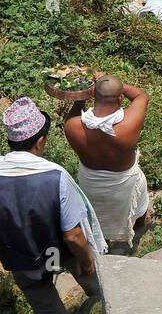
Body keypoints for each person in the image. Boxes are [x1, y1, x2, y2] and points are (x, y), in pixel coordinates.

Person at [0, 97, 107, 314]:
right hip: (57, 251)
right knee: (92, 278)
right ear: (41, 140)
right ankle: (107, 307)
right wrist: (87, 262)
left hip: (23, 259)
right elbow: (73, 235)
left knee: (44, 300)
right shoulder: (55, 178)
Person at [63, 75, 151, 253]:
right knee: (137, 203)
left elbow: (73, 112)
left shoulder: (72, 126)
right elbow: (141, 96)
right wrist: (111, 82)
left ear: (93, 94)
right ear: (120, 98)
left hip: (90, 182)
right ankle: (139, 227)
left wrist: (84, 95)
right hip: (124, 183)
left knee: (95, 212)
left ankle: (98, 239)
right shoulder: (129, 124)